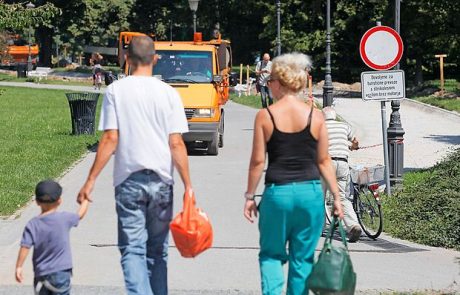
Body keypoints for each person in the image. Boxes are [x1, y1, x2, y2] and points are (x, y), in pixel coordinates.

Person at [77, 36, 192, 295]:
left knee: (133, 249)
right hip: (162, 182)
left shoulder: (117, 90)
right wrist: (188, 186)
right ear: (155, 59)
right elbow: (176, 144)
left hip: (129, 181)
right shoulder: (169, 94)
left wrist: (90, 180)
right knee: (158, 251)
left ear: (126, 59)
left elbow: (110, 138)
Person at [243, 53, 344, 295]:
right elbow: (324, 160)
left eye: (269, 81)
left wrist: (249, 196)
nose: (269, 85)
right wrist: (337, 197)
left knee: (271, 256)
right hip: (310, 195)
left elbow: (258, 161)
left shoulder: (265, 116)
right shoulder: (316, 116)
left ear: (278, 82)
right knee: (302, 261)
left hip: (278, 194)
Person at [15, 180, 89, 295]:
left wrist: (19, 266)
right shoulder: (64, 219)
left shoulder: (33, 224)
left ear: (37, 202)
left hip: (42, 273)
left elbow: (25, 246)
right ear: (59, 200)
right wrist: (85, 200)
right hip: (62, 272)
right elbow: (80, 215)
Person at [323, 107, 362, 242]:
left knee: (320, 196)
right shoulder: (344, 126)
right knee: (342, 197)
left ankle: (321, 227)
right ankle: (353, 225)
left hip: (327, 163)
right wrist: (353, 147)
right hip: (342, 163)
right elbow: (355, 141)